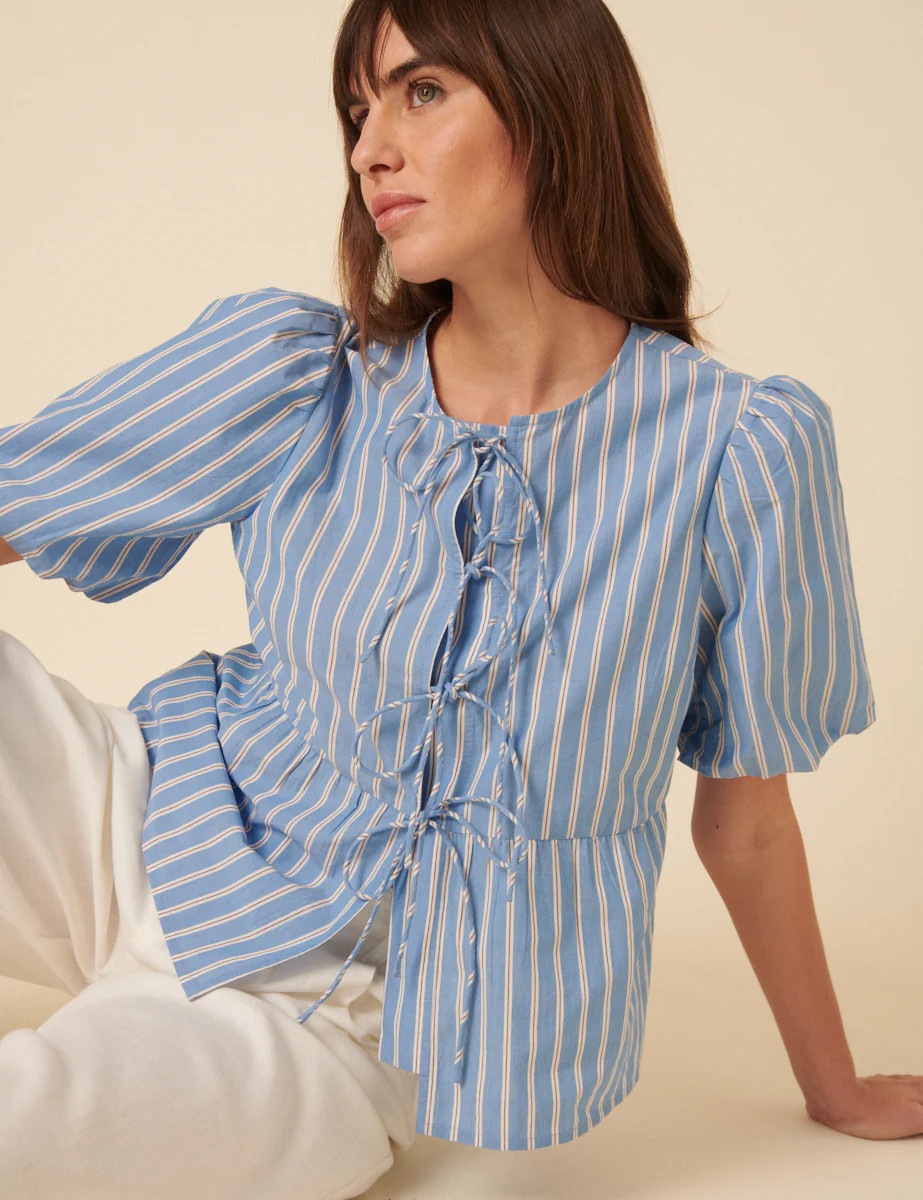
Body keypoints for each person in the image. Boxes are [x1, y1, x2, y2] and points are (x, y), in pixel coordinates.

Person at [1, 0, 921, 1194]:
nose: (368, 148)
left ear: (552, 105)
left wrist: (830, 1085)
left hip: (331, 1017)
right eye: (357, 109)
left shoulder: (736, 452)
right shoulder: (302, 374)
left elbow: (743, 821)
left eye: (420, 92)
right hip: (143, 820)